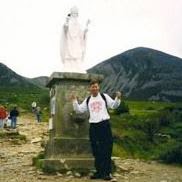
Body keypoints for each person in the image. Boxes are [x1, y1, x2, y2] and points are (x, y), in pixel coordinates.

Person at [71, 80, 121, 180]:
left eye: (96, 87)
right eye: (92, 87)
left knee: (106, 149)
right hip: (93, 126)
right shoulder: (88, 99)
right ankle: (98, 172)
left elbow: (113, 106)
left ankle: (107, 173)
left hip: (104, 125)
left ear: (99, 88)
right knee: (96, 150)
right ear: (90, 89)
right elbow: (79, 110)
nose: (94, 88)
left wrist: (118, 98)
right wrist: (74, 101)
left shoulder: (104, 97)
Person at [60, 6, 90, 73]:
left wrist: (86, 28)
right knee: (69, 56)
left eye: (76, 14)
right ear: (71, 15)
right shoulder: (68, 24)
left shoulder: (79, 25)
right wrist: (67, 21)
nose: (75, 16)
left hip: (77, 44)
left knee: (78, 54)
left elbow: (82, 36)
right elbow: (65, 30)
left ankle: (77, 67)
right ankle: (68, 66)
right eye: (73, 14)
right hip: (69, 43)